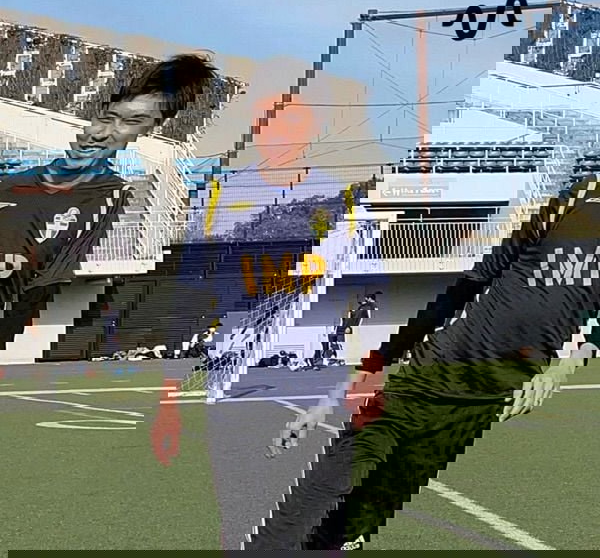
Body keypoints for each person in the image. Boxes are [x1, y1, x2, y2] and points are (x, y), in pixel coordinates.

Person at [242, 174, 600, 550]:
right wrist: (377, 361)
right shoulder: (561, 208)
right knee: (345, 464)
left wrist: (557, 371)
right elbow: (459, 292)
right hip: (442, 362)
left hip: (501, 386)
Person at [0, 54, 217, 349]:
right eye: (111, 117)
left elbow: (43, 274)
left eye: (131, 122)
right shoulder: (18, 180)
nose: (108, 130)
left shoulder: (112, 197)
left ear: (144, 132)